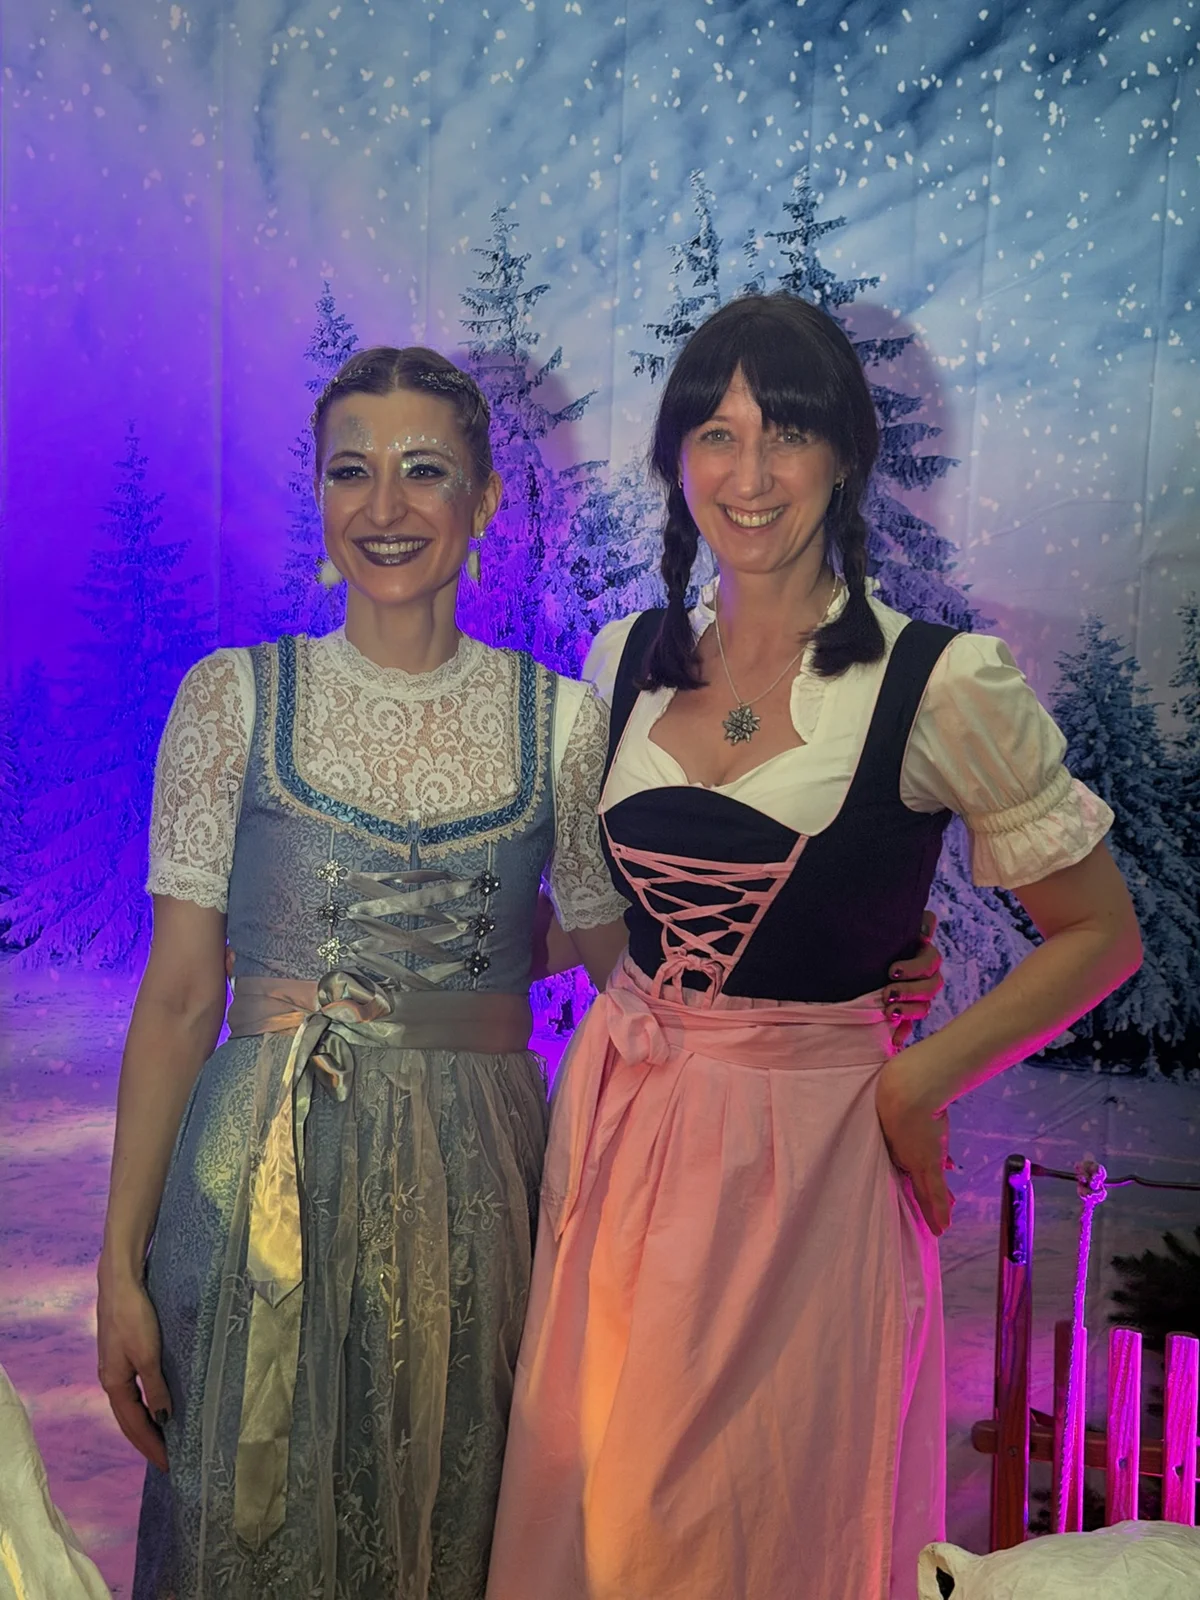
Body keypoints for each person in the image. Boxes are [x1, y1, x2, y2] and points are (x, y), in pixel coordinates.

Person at [95, 344, 941, 1600]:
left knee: (468, 1523)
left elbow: (623, 955)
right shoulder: (233, 700)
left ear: (485, 497)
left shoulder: (563, 720)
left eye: (425, 470)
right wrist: (118, 1264)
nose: (385, 505)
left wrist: (842, 948)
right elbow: (177, 999)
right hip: (260, 1178)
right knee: (250, 1536)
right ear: (319, 496)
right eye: (351, 471)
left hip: (483, 1193)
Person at [485, 294, 1142, 1600]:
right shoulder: (627, 659)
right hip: (622, 1134)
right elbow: (614, 917)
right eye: (716, 435)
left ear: (844, 454)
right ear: (678, 459)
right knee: (600, 1508)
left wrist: (914, 1079)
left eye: (785, 431)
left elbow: (1100, 936)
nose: (750, 473)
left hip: (805, 1165)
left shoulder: (938, 681)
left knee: (764, 1514)